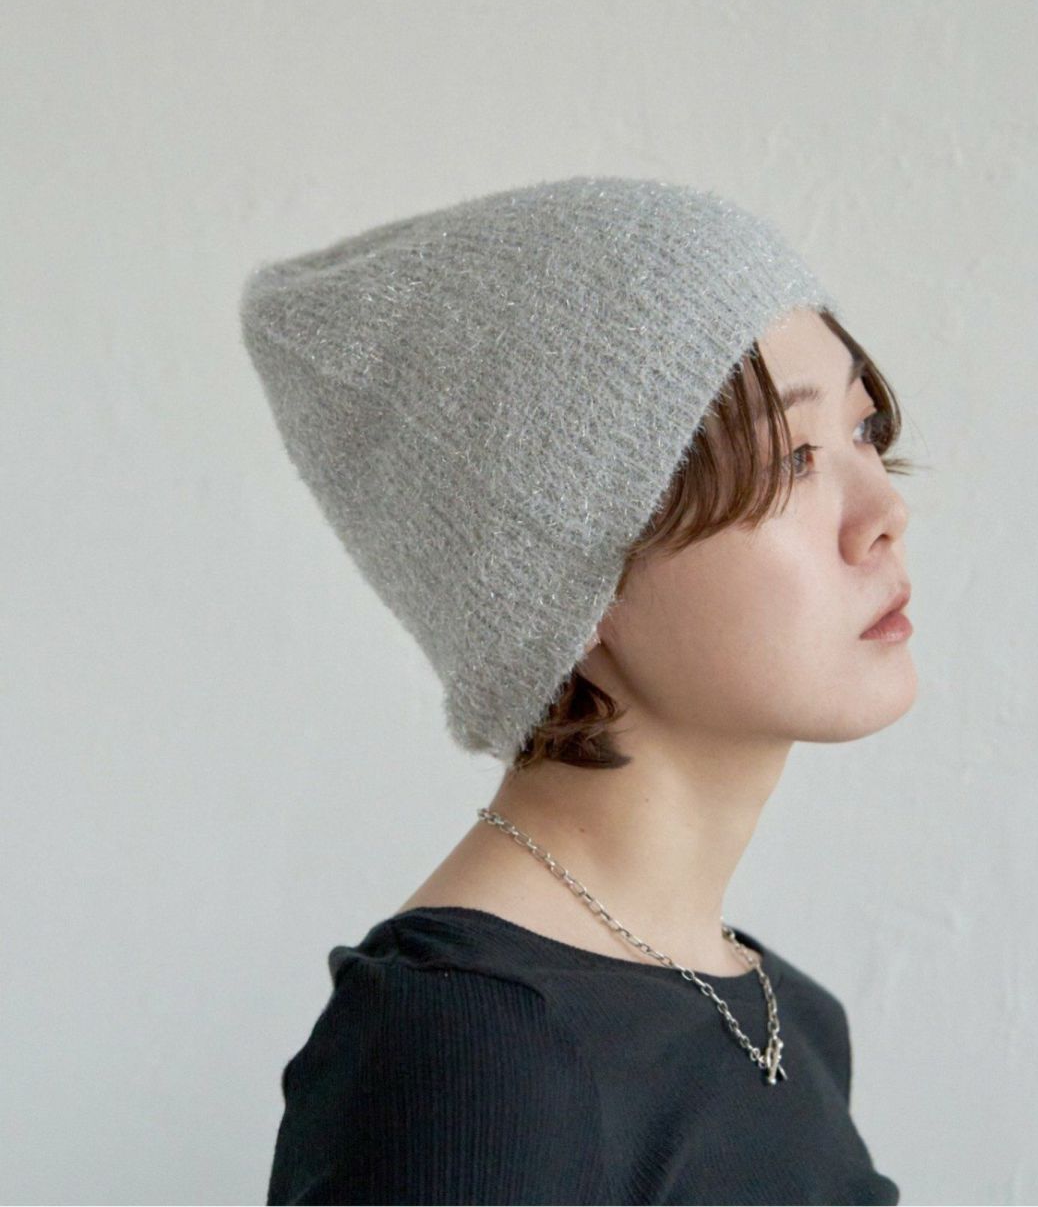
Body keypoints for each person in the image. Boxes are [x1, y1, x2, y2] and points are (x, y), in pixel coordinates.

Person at [242, 176, 914, 1204]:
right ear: (565, 579)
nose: (882, 511)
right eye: (790, 460)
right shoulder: (468, 1053)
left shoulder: (791, 1020)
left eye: (865, 431)